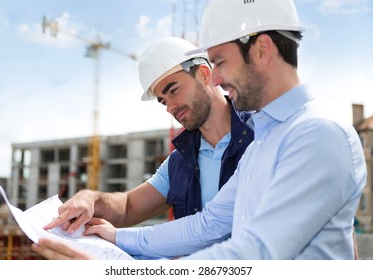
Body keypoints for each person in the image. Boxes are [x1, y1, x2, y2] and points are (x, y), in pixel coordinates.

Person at [32, 0, 366, 260]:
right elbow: (209, 225)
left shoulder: (316, 135)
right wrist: (117, 237)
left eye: (219, 62)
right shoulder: (266, 140)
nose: (218, 78)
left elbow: (255, 254)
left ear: (262, 49)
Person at [41, 37, 253, 232]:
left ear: (204, 74)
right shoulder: (179, 163)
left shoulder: (262, 133)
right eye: (163, 101)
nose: (170, 108)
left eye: (173, 90)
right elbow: (129, 206)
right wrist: (91, 198)